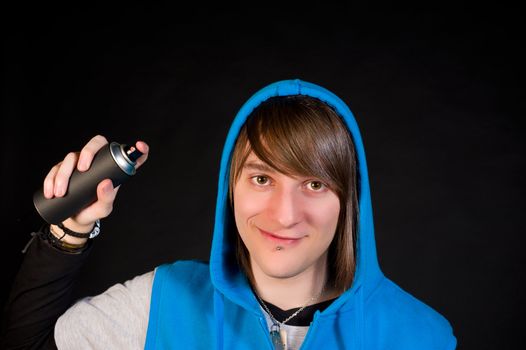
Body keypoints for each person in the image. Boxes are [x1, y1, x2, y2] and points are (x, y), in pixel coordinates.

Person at [1, 79, 456, 349]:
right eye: (262, 179)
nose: (285, 214)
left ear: (348, 200)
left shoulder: (421, 335)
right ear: (230, 190)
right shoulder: (163, 302)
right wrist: (70, 231)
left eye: (314, 184)